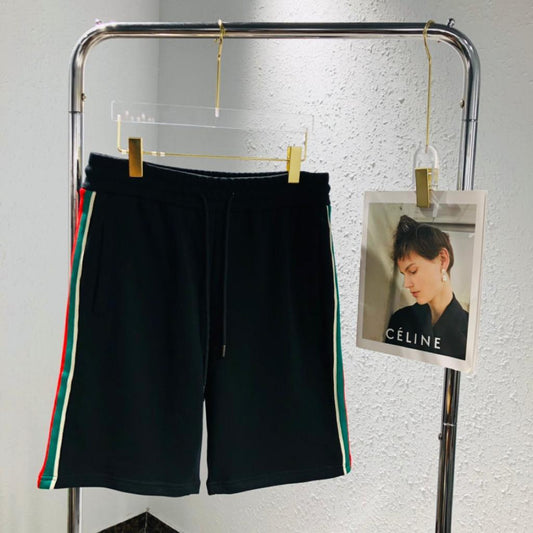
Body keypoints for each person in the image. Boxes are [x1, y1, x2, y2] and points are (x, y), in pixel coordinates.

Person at [384, 215, 468, 359]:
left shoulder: (471, 330)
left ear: (442, 260)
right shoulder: (400, 320)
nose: (406, 284)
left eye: (413, 271)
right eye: (404, 274)